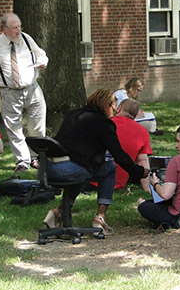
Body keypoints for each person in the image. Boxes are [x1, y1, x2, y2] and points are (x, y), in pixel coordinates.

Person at [42, 88, 147, 235]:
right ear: (107, 105)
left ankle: (58, 212)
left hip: (49, 168)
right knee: (109, 167)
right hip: (67, 170)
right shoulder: (104, 124)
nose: (114, 111)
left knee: (86, 169)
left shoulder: (73, 115)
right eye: (113, 107)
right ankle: (100, 217)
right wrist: (139, 172)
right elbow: (119, 155)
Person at [0, 12, 48, 174]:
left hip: (32, 89)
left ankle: (35, 157)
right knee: (14, 128)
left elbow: (41, 54)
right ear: (4, 29)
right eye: (14, 28)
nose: (18, 31)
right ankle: (23, 160)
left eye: (19, 27)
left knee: (37, 126)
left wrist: (42, 62)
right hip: (9, 92)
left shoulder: (26, 39)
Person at [110, 98, 153, 190]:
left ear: (119, 108)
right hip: (119, 182)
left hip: (92, 178)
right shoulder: (142, 131)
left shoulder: (107, 124)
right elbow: (143, 161)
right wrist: (147, 188)